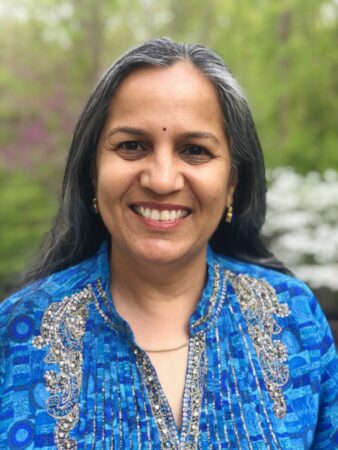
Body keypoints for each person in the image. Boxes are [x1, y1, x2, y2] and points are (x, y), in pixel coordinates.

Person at [0, 38, 337, 450]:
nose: (161, 180)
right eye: (132, 146)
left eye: (194, 150)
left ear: (232, 183)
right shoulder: (15, 334)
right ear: (92, 172)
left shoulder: (295, 319)